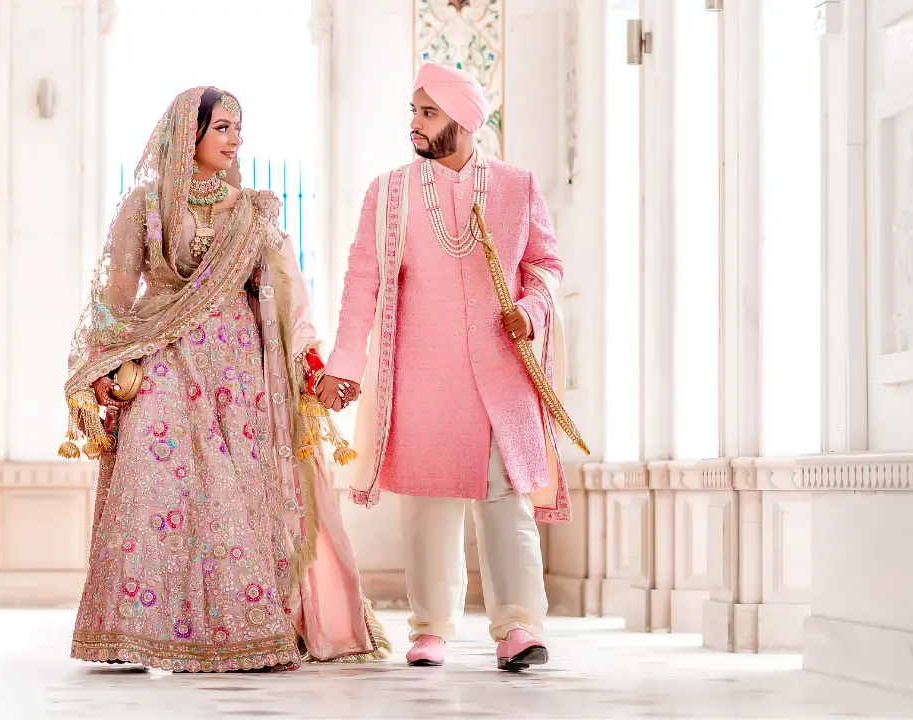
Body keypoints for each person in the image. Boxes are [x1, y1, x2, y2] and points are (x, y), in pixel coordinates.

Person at [60, 86, 389, 673]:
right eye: (224, 128)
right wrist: (105, 364)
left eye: (239, 128)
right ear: (191, 132)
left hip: (239, 376)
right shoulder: (146, 207)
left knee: (233, 498)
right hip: (163, 359)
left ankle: (244, 631)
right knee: (151, 483)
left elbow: (290, 295)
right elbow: (114, 297)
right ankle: (135, 629)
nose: (236, 139)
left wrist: (313, 364)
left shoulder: (253, 211)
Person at [315, 63, 571, 672]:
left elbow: (546, 266)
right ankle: (430, 629)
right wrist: (345, 364)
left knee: (505, 497)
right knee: (427, 503)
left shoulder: (516, 187)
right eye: (413, 112)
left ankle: (518, 629)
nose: (414, 125)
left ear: (463, 120)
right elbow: (362, 281)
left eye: (427, 113)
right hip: (422, 372)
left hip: (498, 375)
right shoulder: (390, 192)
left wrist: (531, 311)